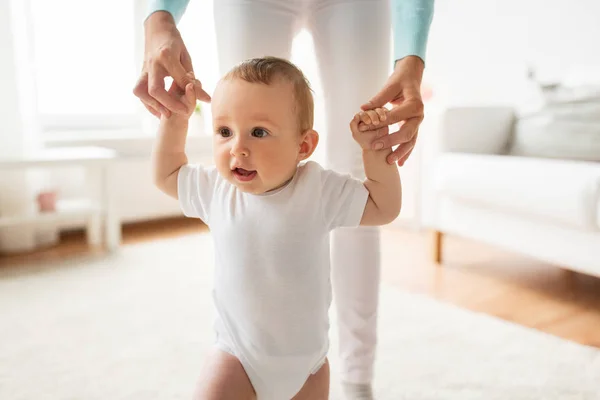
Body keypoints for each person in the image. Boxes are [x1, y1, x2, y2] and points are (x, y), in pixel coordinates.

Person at [136, 1, 434, 398]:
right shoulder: (216, 189)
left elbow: (383, 207)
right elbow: (167, 174)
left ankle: (359, 378)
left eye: (258, 132)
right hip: (236, 358)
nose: (237, 148)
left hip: (309, 368)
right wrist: (174, 122)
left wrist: (375, 155)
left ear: (303, 146)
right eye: (224, 131)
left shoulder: (319, 190)